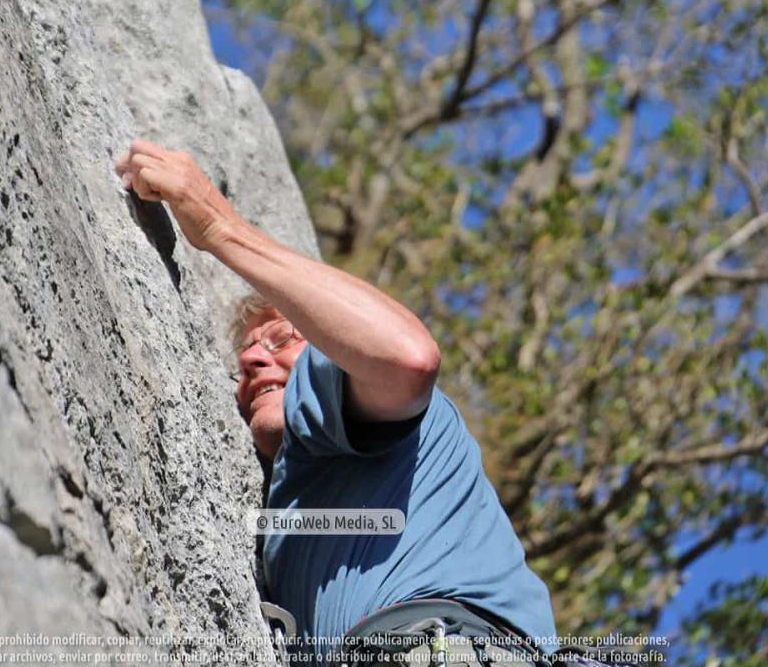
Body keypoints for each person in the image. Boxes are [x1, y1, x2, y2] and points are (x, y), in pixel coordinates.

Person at [115, 141, 561, 665]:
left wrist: (219, 226)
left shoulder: (384, 410)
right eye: (244, 361)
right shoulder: (297, 505)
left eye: (281, 340)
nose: (256, 361)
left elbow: (408, 358)